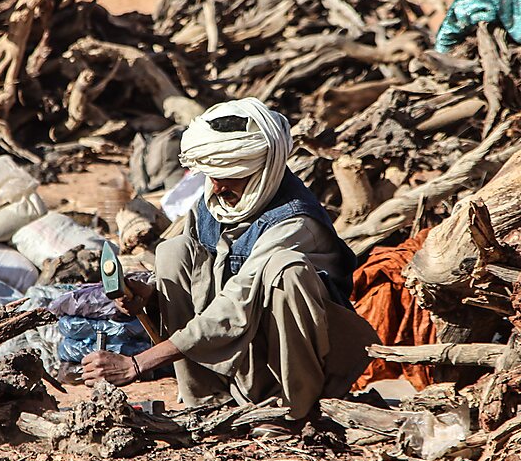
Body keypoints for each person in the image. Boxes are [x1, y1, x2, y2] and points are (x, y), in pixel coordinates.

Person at [82, 97, 378, 429]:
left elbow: (234, 306)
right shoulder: (217, 200)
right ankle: (206, 400)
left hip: (300, 363)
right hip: (241, 351)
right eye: (212, 175)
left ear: (263, 170)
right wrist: (150, 296)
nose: (218, 186)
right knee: (173, 251)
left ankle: (293, 412)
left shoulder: (296, 222)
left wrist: (137, 364)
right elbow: (201, 277)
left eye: (231, 176)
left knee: (286, 271)